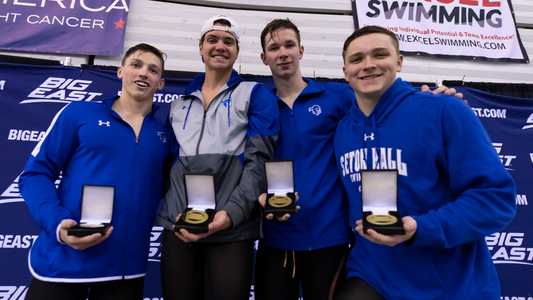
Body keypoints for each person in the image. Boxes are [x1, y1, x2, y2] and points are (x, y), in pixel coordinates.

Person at [254, 19, 465, 300]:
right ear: (263, 57)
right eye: (274, 47)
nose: (283, 53)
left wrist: (426, 98)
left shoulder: (336, 95)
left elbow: (383, 99)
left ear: (301, 50)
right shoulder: (258, 104)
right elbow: (249, 159)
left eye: (289, 45)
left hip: (330, 236)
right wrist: (260, 196)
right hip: (276, 234)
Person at [334, 25, 516, 299]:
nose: (368, 65)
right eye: (357, 59)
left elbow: (495, 199)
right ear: (345, 70)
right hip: (371, 274)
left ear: (399, 61)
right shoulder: (342, 131)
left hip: (448, 284)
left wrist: (420, 228)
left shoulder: (443, 109)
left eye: (379, 54)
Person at [19, 43, 173, 300]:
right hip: (64, 263)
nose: (144, 73)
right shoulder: (79, 113)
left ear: (161, 83)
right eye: (136, 65)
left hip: (126, 271)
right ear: (120, 71)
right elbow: (35, 174)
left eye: (153, 70)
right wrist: (58, 223)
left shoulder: (164, 135)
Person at [156, 15, 280, 300]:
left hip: (233, 227)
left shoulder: (255, 94)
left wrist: (231, 215)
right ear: (200, 47)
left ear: (237, 51)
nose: (220, 46)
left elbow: (259, 163)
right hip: (180, 223)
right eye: (212, 39)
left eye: (228, 41)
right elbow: (168, 167)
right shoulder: (178, 104)